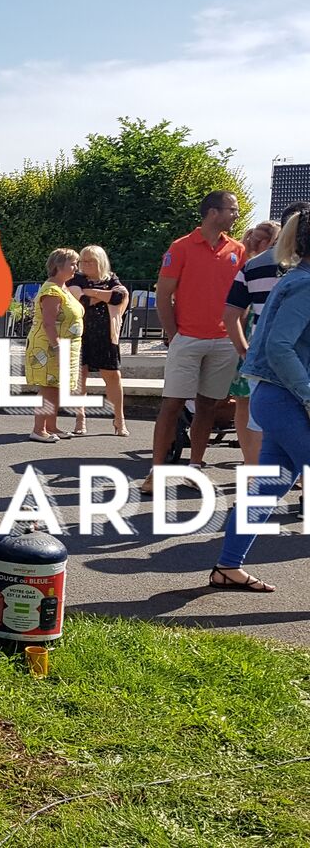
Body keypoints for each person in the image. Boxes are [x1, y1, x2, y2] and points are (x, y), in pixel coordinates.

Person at [209, 206, 310, 593]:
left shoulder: (295, 278)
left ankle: (227, 568)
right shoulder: (304, 284)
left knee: (268, 488)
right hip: (285, 400)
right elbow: (280, 347)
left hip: (274, 398)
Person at [141, 191, 244, 493]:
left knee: (208, 407)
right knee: (172, 404)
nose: (236, 215)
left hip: (223, 341)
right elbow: (163, 294)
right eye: (232, 209)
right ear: (213, 212)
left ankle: (195, 469)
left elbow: (242, 297)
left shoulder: (238, 249)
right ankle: (156, 472)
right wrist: (175, 335)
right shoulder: (181, 247)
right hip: (188, 338)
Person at [223, 212, 303, 464]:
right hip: (299, 353)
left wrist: (243, 349)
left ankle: (253, 466)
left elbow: (230, 314)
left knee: (254, 412)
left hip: (258, 349)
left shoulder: (252, 266)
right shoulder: (301, 269)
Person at [67, 246, 129, 436]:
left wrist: (92, 292)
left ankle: (119, 419)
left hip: (105, 334)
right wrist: (103, 296)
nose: (85, 264)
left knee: (113, 376)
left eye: (90, 261)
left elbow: (119, 297)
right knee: (80, 376)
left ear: (100, 262)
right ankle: (80, 418)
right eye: (83, 261)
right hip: (80, 333)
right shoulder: (76, 279)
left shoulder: (111, 278)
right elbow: (82, 301)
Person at [24, 249, 84, 442]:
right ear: (58, 265)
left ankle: (51, 426)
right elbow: (48, 323)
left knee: (56, 386)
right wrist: (58, 348)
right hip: (50, 347)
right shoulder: (52, 290)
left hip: (65, 346)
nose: (76, 267)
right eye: (72, 263)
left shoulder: (63, 288)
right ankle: (38, 429)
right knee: (49, 387)